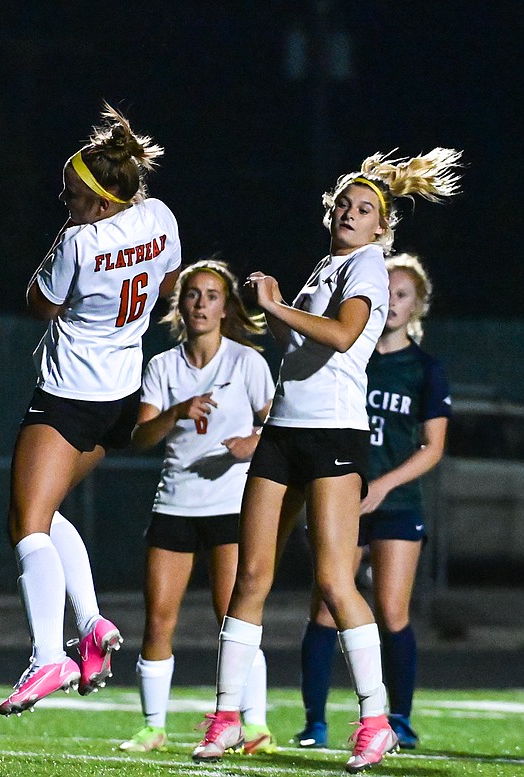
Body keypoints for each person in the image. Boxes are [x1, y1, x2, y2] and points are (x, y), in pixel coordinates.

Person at [190, 148, 462, 774]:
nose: (350, 212)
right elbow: (300, 346)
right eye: (344, 203)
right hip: (284, 431)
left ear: (381, 229)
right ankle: (227, 715)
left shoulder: (367, 266)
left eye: (365, 209)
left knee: (337, 583)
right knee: (250, 576)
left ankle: (374, 718)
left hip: (333, 435)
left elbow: (341, 335)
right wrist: (277, 314)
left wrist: (278, 305)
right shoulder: (325, 265)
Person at [0, 103, 182, 717]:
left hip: (71, 393)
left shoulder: (77, 241)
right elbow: (170, 282)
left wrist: (66, 261)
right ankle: (95, 626)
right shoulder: (158, 214)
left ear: (104, 203)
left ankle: (50, 652)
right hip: (122, 395)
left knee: (25, 523)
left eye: (74, 194)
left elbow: (38, 305)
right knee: (45, 514)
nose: (64, 198)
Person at [295, 253, 450, 751]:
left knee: (391, 609)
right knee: (325, 606)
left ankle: (398, 717)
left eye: (404, 294)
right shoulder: (350, 358)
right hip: (343, 495)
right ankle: (314, 722)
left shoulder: (425, 369)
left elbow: (433, 448)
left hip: (397, 501)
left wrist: (382, 486)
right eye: (388, 291)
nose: (394, 301)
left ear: (418, 304)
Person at [121, 259, 276, 753]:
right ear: (180, 305)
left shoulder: (246, 362)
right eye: (193, 295)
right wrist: (176, 411)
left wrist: (253, 443)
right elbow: (140, 436)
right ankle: (152, 726)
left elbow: (278, 425)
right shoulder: (163, 366)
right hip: (176, 504)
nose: (201, 304)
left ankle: (254, 725)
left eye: (212, 295)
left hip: (232, 507)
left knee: (235, 617)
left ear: (226, 307)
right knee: (159, 618)